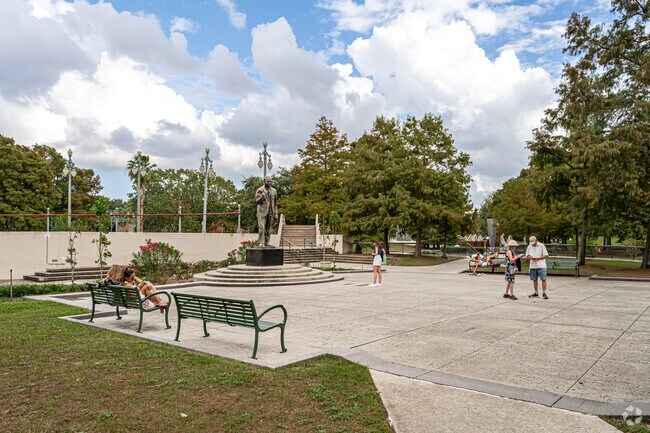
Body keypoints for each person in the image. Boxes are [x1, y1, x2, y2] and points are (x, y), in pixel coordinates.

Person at [255, 175, 278, 246]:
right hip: (262, 212)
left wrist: (276, 213)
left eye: (270, 181)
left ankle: (267, 242)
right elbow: (257, 201)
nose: (269, 183)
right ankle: (261, 242)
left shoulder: (274, 191)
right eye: (267, 181)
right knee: (262, 228)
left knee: (269, 228)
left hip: (271, 212)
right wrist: (262, 196)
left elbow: (276, 203)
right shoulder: (260, 190)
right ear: (264, 182)